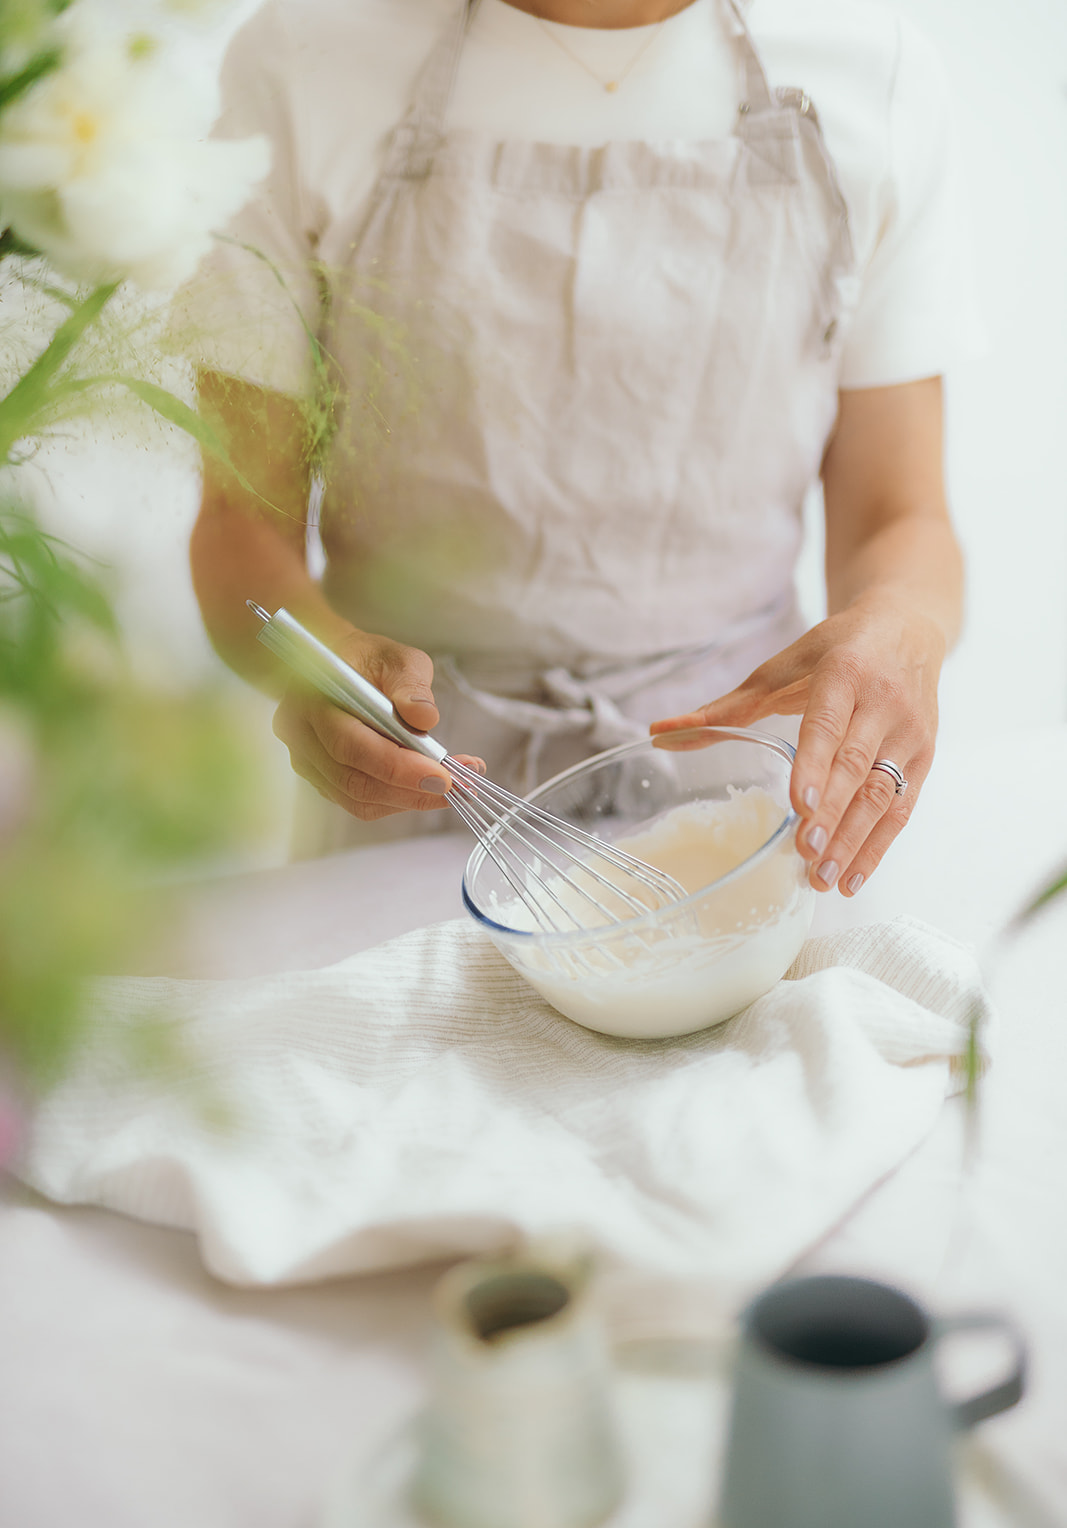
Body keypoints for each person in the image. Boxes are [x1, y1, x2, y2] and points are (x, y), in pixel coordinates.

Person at [187, 0, 977, 894]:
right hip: (412, 794)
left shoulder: (872, 72)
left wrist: (904, 628)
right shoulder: (300, 60)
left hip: (743, 816)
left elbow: (898, 515)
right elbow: (238, 524)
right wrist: (319, 662)